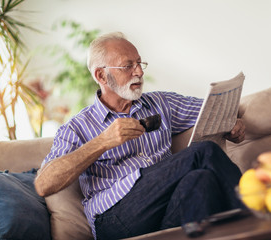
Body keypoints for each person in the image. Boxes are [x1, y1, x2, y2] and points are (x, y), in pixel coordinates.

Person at [34, 32, 246, 239]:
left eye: (139, 64)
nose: (139, 72)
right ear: (101, 75)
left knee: (202, 179)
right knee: (204, 152)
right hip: (116, 217)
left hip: (164, 204)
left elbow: (215, 108)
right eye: (128, 66)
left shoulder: (161, 103)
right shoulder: (76, 128)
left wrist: (231, 123)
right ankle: (259, 219)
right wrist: (102, 142)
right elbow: (44, 184)